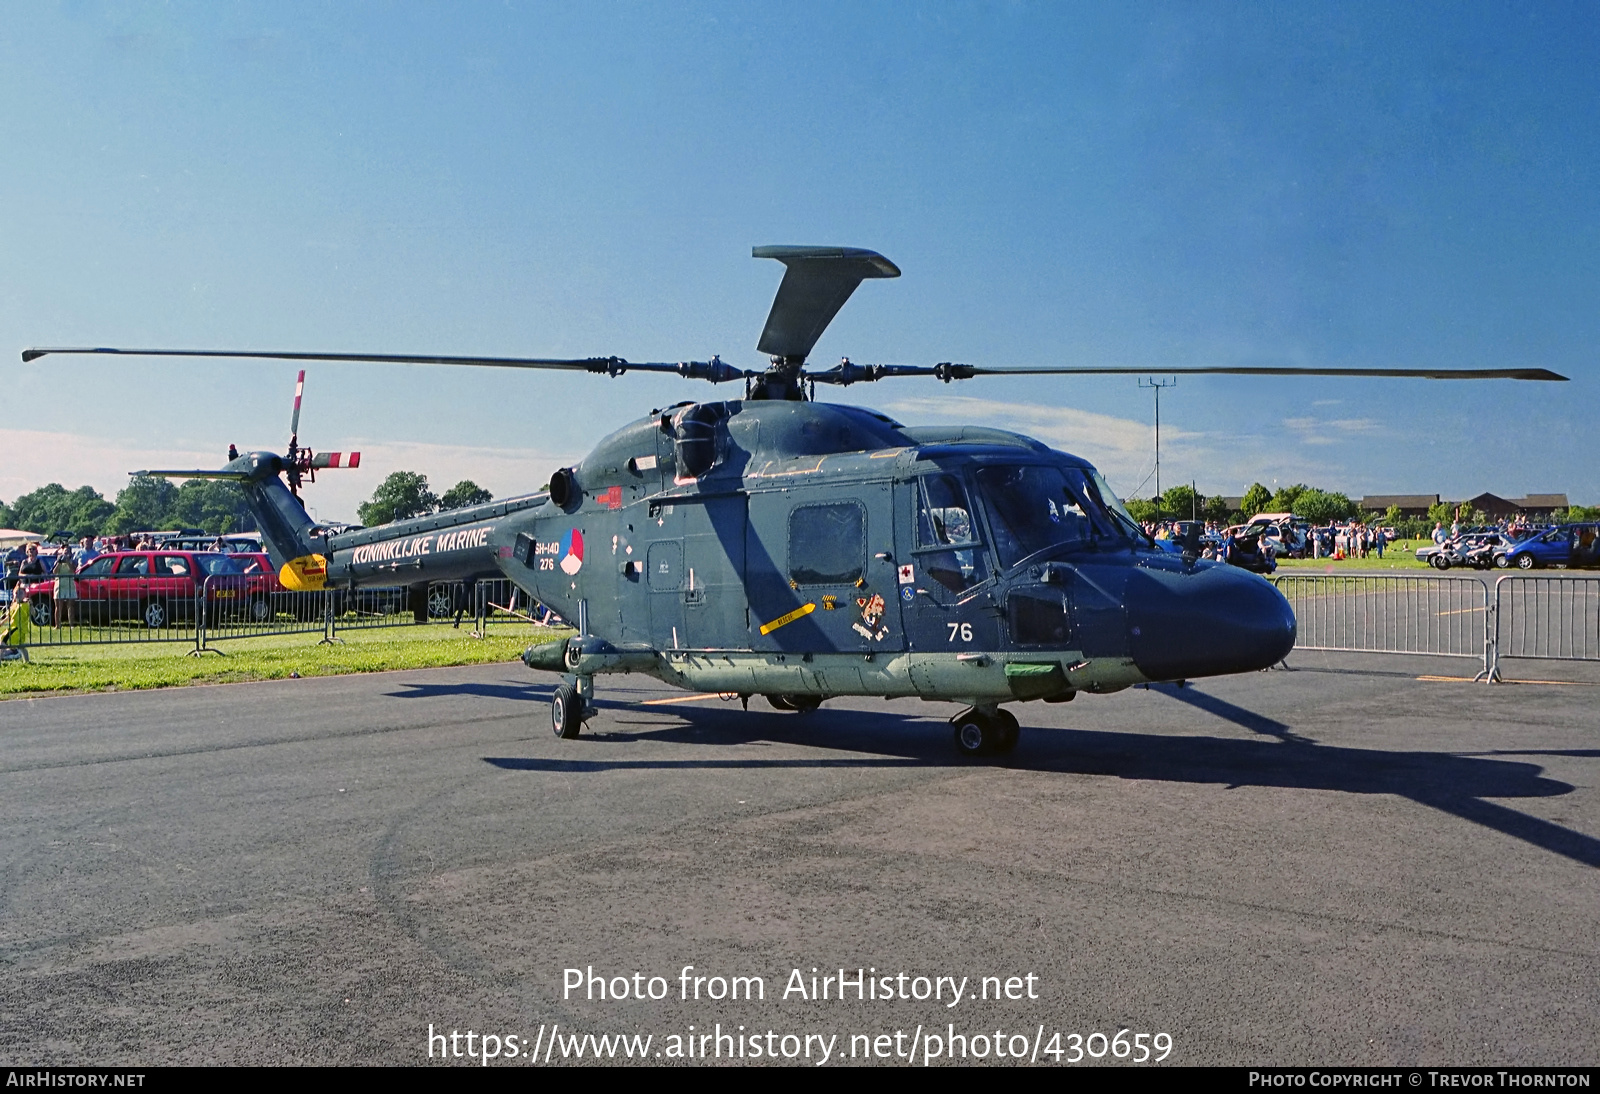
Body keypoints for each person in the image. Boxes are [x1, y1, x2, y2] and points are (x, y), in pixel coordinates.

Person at [52, 547, 77, 627]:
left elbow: (73, 570)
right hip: (59, 584)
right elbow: (54, 572)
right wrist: (59, 562)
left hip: (69, 584)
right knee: (58, 606)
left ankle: (71, 624)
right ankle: (57, 625)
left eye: (68, 552)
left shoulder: (73, 560)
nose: (66, 553)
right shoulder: (58, 561)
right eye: (65, 551)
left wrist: (68, 561)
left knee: (70, 606)